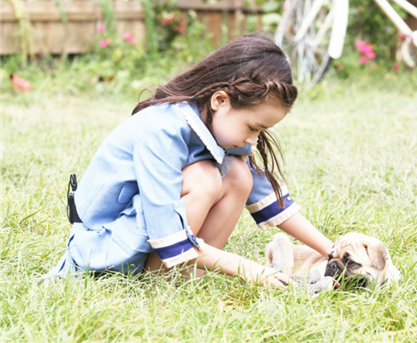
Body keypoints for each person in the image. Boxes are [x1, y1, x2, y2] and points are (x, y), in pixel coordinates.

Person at [47, 33, 334, 286]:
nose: (254, 140)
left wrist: (333, 252)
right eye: (252, 128)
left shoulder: (220, 131)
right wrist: (251, 270)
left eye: (261, 131)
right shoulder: (162, 131)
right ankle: (159, 277)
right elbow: (165, 227)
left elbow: (269, 200)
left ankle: (183, 278)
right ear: (220, 101)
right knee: (205, 178)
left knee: (238, 174)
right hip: (104, 250)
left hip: (145, 241)